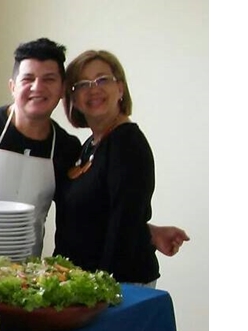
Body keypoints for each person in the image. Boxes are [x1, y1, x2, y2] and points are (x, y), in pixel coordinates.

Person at [0, 38, 188, 260]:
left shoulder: (66, 147)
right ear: (13, 86)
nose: (37, 88)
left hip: (24, 283)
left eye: (49, 79)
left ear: (62, 90)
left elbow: (91, 210)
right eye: (28, 79)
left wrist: (147, 231)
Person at [53, 49, 188, 287]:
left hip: (117, 285)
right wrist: (151, 232)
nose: (93, 89)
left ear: (121, 89)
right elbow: (97, 214)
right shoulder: (90, 146)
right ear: (72, 98)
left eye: (102, 79)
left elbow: (123, 224)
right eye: (82, 84)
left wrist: (102, 289)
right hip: (81, 281)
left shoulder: (127, 143)